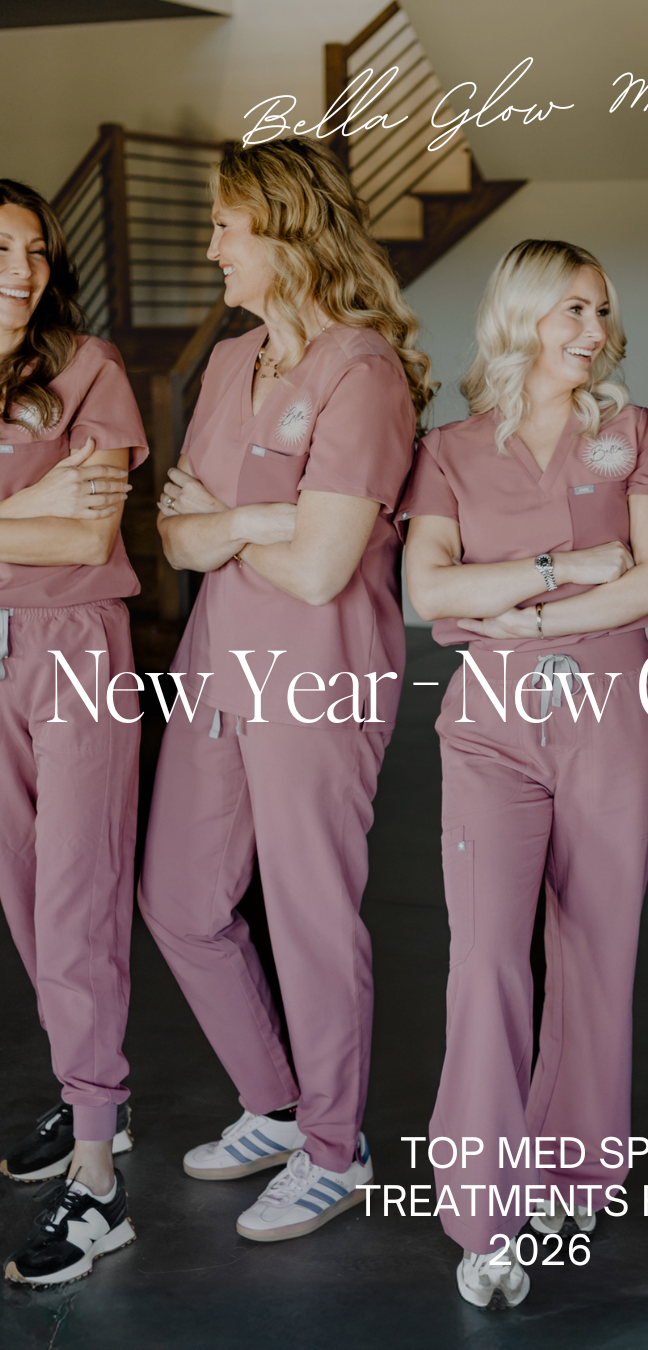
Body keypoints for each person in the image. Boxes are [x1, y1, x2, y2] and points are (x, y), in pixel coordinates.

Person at [138, 139, 429, 1242]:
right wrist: (269, 518)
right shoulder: (226, 362)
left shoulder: (362, 369)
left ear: (284, 230)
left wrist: (238, 527)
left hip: (319, 672)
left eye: (223, 226)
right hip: (219, 659)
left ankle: (333, 1144)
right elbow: (177, 533)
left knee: (310, 913)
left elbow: (320, 570)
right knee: (179, 896)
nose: (210, 247)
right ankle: (274, 1099)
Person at [402, 239, 648, 1308]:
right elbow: (429, 584)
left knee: (595, 959)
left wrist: (507, 614)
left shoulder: (638, 434)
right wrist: (565, 572)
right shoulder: (450, 449)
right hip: (488, 729)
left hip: (614, 714)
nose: (594, 328)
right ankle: (485, 1212)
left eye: (601, 311)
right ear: (519, 315)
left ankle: (573, 1174)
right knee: (485, 962)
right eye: (572, 307)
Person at [0, 180, 145, 1286]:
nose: (23, 268)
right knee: (21, 895)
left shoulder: (88, 367)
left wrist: (54, 512)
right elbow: (54, 508)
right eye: (2, 248)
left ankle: (99, 1180)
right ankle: (85, 1087)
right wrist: (32, 507)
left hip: (78, 640)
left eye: (37, 250)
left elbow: (92, 520)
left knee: (74, 891)